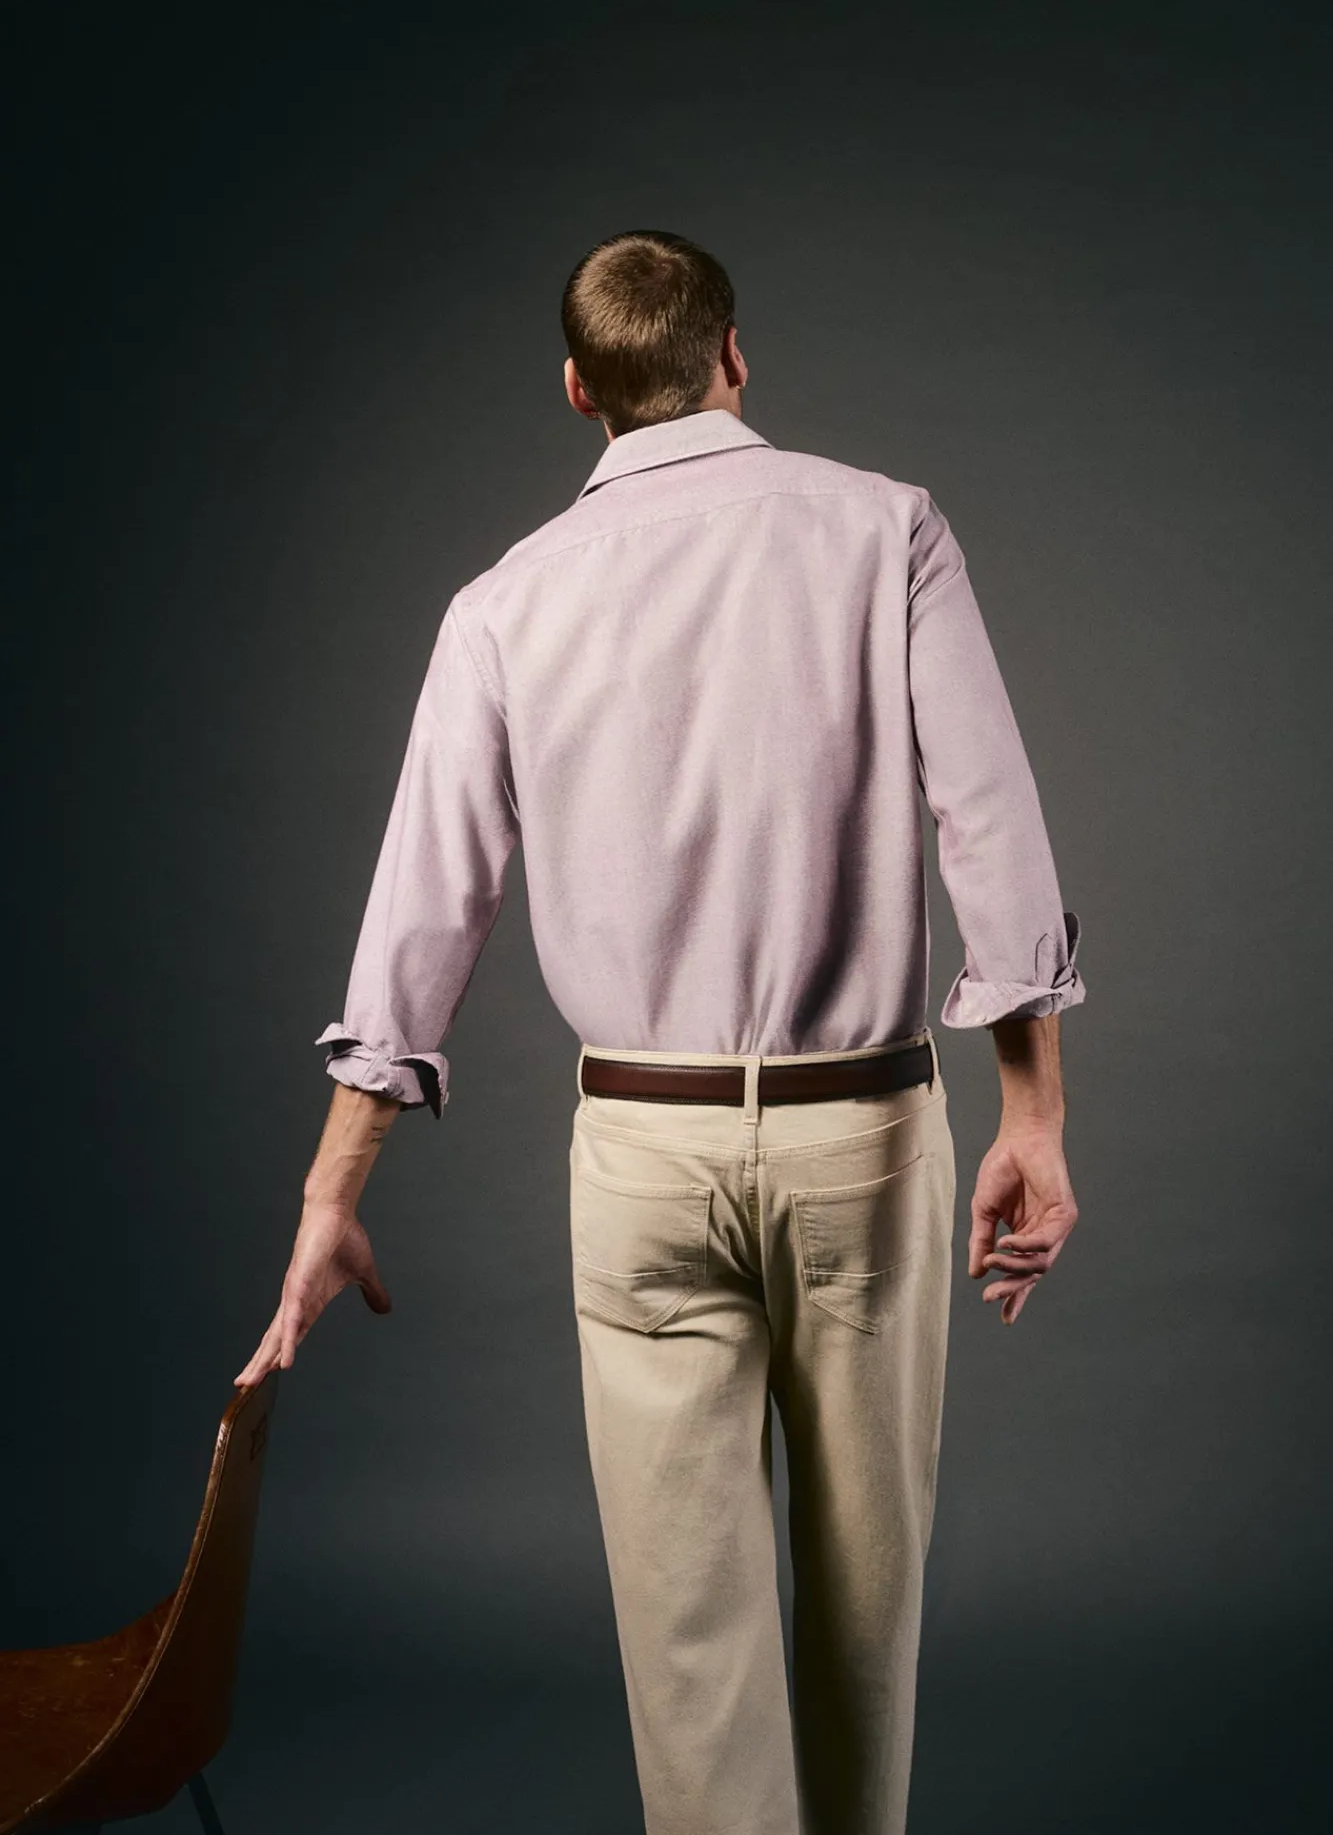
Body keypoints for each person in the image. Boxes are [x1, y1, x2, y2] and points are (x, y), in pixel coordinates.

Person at [237, 228, 1086, 1835]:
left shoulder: (502, 605)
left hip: (641, 1155)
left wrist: (330, 1194)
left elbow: (421, 916)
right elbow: (993, 829)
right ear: (734, 355)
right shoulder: (886, 528)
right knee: (867, 1625)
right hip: (862, 1136)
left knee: (691, 1662)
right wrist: (1032, 1119)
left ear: (579, 390)